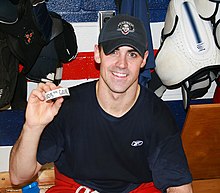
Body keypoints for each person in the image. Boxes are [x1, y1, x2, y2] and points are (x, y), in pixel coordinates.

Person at [9, 14, 193, 193]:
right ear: (98, 54)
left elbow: (179, 184)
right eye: (113, 51)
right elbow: (19, 178)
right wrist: (32, 126)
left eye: (132, 54)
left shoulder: (157, 115)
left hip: (137, 188)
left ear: (144, 60)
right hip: (77, 186)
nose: (122, 64)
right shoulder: (65, 106)